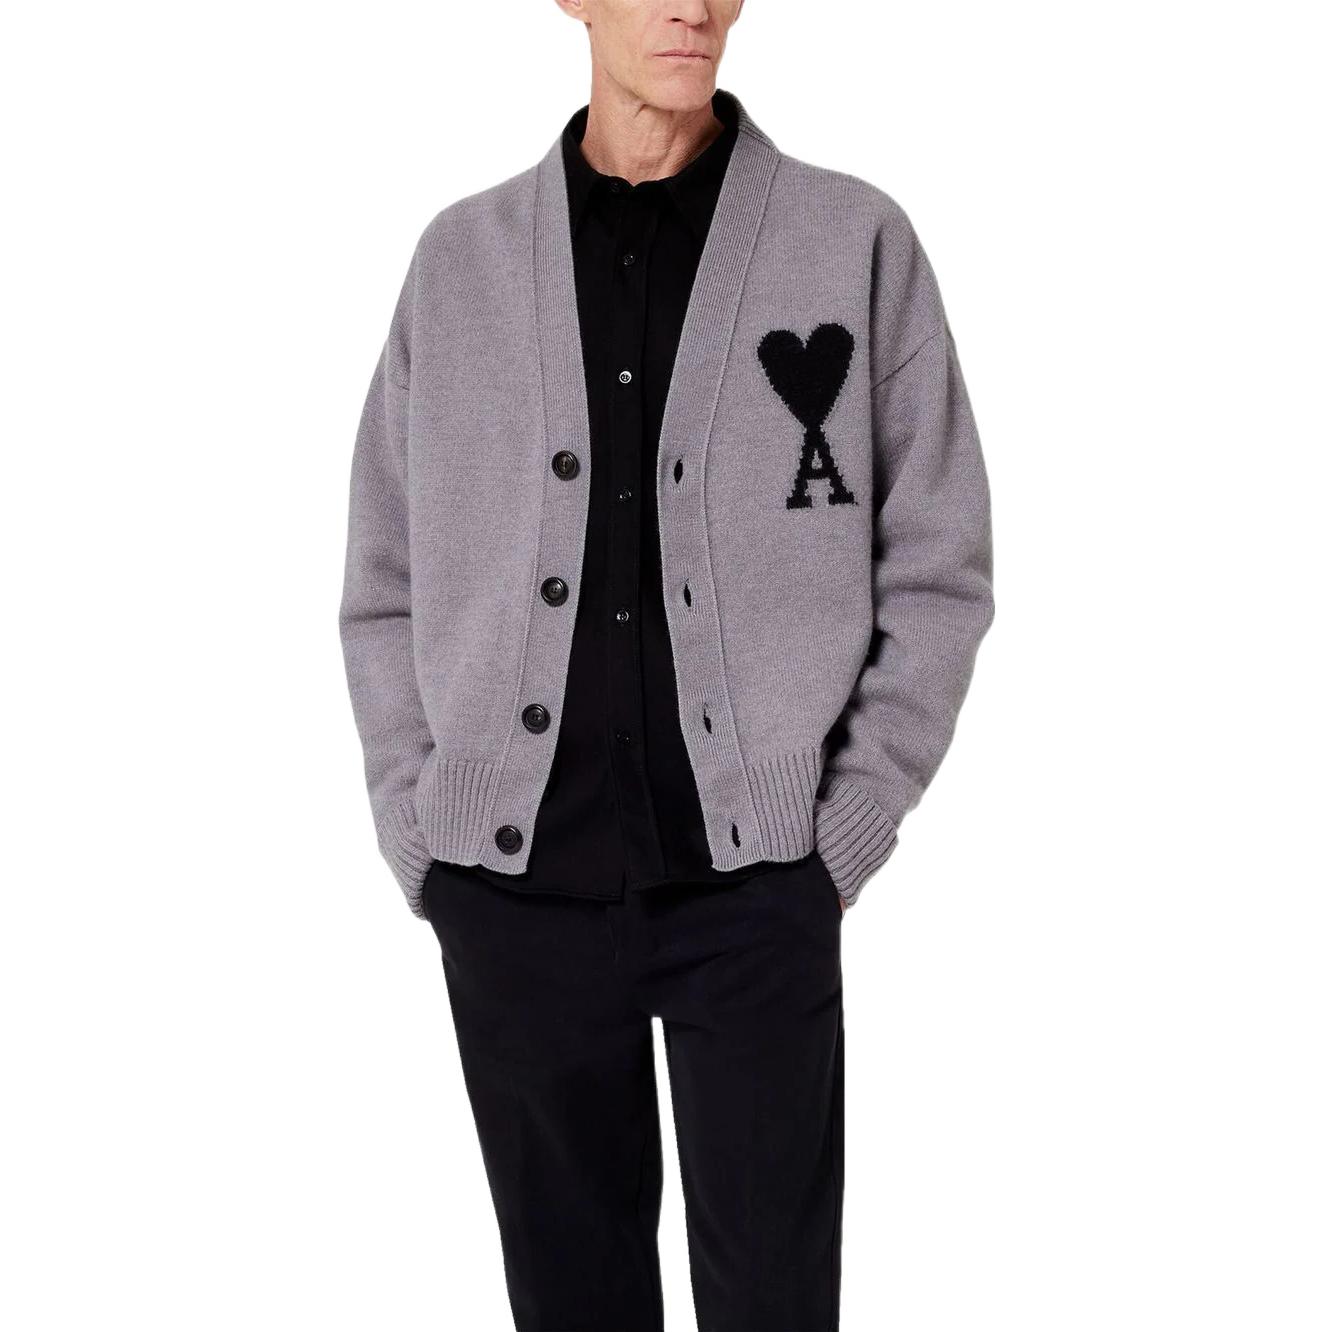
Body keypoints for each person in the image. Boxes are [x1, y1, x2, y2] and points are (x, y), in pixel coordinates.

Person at [338, 1, 994, 1326]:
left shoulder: (853, 242)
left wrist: (843, 836)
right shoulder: (461, 263)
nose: (692, 5)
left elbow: (940, 565)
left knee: (773, 1306)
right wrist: (420, 830)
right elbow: (384, 578)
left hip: (758, 894)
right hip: (513, 896)